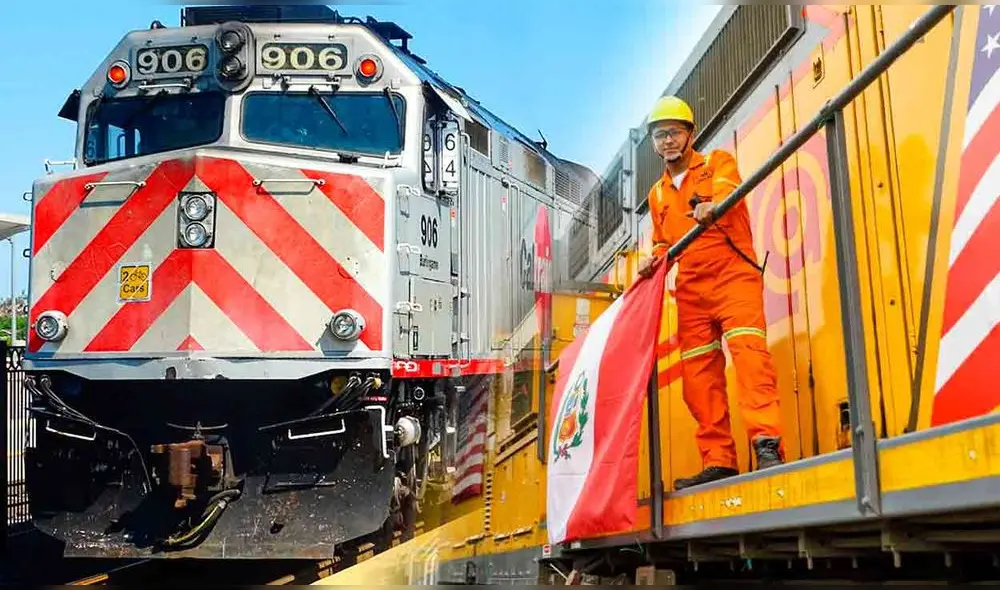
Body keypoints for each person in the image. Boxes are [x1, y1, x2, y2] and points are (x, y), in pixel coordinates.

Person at [637, 95, 784, 490]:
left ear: (690, 134)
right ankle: (719, 459)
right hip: (691, 289)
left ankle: (766, 443)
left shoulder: (718, 161)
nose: (666, 141)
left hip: (732, 274)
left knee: (750, 358)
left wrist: (713, 205)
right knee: (699, 378)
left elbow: (726, 189)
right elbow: (661, 241)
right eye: (659, 135)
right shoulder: (657, 195)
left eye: (673, 133)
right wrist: (651, 258)